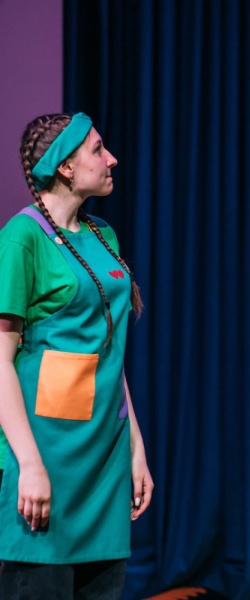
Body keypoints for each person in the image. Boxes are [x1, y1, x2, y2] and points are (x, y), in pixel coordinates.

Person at [0, 113, 153, 598]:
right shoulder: (23, 237)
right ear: (65, 167)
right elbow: (0, 361)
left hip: (104, 458)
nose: (112, 159)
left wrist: (135, 449)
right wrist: (29, 464)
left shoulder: (103, 235)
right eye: (97, 149)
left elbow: (109, 353)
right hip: (47, 453)